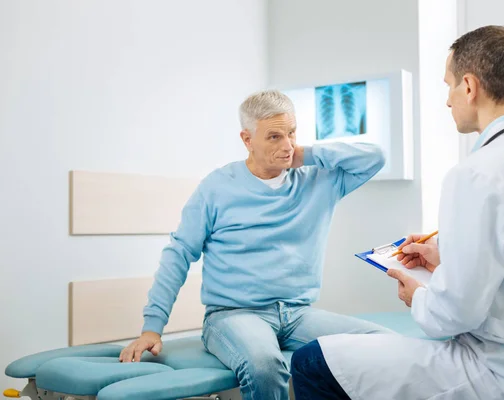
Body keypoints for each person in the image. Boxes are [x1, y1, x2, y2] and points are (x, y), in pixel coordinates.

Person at [290, 25, 504, 400]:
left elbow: (451, 317)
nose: (447, 101)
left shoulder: (475, 173)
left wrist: (417, 296)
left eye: (449, 85)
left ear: (469, 87)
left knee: (311, 362)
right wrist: (447, 259)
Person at [118, 89, 393, 399]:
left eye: (291, 133)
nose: (286, 145)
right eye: (274, 137)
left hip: (298, 314)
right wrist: (152, 328)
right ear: (247, 139)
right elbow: (179, 254)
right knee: (265, 366)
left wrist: (304, 154)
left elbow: (376, 157)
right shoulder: (218, 187)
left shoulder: (318, 181)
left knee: (386, 346)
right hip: (232, 314)